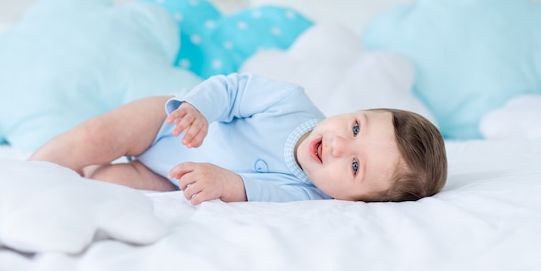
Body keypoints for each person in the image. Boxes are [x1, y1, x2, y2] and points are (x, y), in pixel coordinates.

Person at [29, 73, 447, 204]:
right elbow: (232, 89)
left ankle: (84, 171)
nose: (339, 145)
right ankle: (28, 174)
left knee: (108, 187)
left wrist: (229, 185)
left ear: (356, 200)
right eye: (355, 127)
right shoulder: (291, 104)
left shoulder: (312, 197)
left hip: (171, 175)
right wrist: (197, 110)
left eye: (355, 167)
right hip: (169, 123)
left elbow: (262, 194)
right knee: (99, 134)